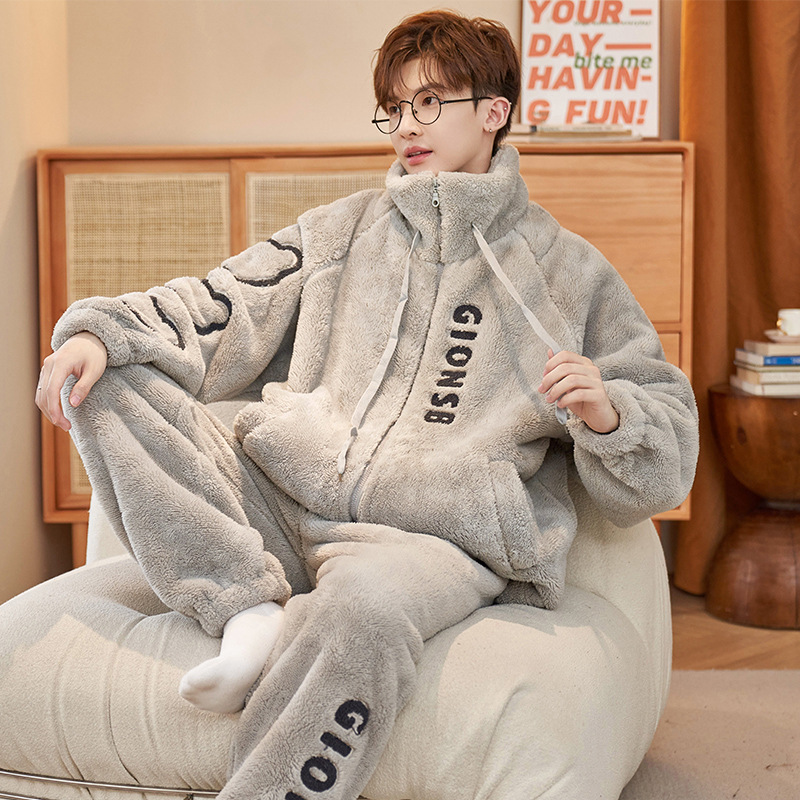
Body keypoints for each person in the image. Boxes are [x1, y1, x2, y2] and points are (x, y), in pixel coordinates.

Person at [35, 10, 698, 800]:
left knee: (364, 614)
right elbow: (221, 303)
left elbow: (666, 448)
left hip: (428, 545)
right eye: (393, 107)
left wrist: (608, 414)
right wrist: (100, 334)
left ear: (494, 111)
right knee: (111, 375)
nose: (405, 127)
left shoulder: (570, 273)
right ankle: (244, 606)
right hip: (281, 506)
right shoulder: (338, 234)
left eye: (430, 103)